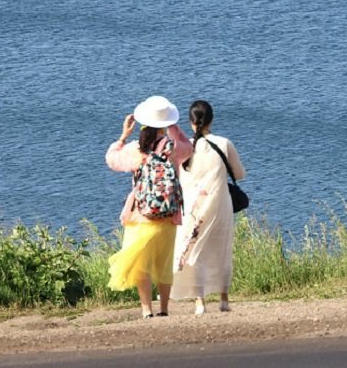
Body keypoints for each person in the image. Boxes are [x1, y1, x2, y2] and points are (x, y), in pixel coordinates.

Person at [105, 95, 193, 319]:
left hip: (140, 214)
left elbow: (112, 159)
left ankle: (146, 309)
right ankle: (164, 308)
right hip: (168, 214)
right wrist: (173, 128)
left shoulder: (136, 149)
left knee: (141, 265)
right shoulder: (172, 149)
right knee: (163, 263)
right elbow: (189, 149)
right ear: (166, 124)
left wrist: (124, 135)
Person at [171, 99, 246, 315]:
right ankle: (224, 299)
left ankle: (199, 302)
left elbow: (178, 177)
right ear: (211, 120)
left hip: (193, 208)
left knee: (195, 251)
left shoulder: (183, 148)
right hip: (220, 204)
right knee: (221, 250)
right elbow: (239, 174)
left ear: (190, 122)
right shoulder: (223, 143)